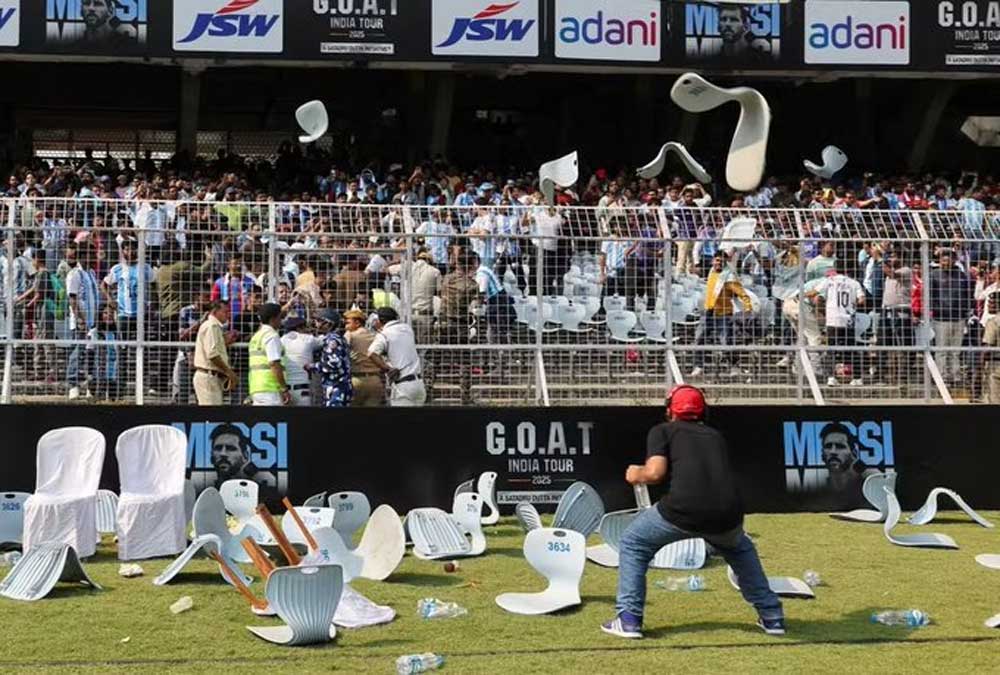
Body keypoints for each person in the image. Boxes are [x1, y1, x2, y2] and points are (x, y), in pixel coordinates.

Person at [601, 385, 784, 639]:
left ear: (670, 410)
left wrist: (636, 473)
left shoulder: (662, 430)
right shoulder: (715, 436)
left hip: (683, 509)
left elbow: (654, 473)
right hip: (728, 513)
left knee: (633, 543)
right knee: (740, 549)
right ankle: (772, 616)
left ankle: (628, 619)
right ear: (703, 411)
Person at [691, 252, 752, 379]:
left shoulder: (728, 277)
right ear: (713, 261)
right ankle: (699, 366)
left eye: (721, 261)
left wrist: (748, 308)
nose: (719, 263)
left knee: (725, 341)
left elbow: (742, 293)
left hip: (723, 313)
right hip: (708, 312)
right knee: (699, 338)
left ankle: (734, 366)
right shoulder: (711, 272)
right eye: (717, 260)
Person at [808, 268, 866, 387]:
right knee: (851, 349)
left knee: (831, 350)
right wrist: (852, 304)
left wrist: (800, 294)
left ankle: (831, 378)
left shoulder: (830, 281)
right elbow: (861, 300)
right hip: (848, 320)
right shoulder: (854, 283)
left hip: (833, 319)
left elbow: (814, 293)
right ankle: (857, 378)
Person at [367, 307, 426, 407]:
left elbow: (371, 353)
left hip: (403, 386)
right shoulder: (407, 329)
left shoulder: (384, 334)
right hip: (418, 384)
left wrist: (387, 369)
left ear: (381, 320)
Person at [193, 301, 238, 405]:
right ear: (215, 311)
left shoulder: (213, 326)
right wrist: (229, 372)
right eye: (225, 312)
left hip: (211, 377)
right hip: (209, 376)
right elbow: (212, 354)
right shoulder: (212, 326)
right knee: (212, 412)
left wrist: (224, 341)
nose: (228, 315)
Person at [248, 303, 292, 406]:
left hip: (256, 387)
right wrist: (284, 388)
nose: (281, 321)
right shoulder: (271, 336)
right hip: (271, 388)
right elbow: (274, 363)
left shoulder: (257, 336)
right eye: (280, 317)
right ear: (273, 319)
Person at [818, 422, 879, 494]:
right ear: (822, 454)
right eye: (828, 446)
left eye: (840, 446)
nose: (833, 451)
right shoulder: (818, 490)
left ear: (854, 453)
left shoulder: (868, 488)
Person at [344, 308, 385, 407]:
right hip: (375, 380)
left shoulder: (350, 335)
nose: (345, 326)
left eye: (348, 323)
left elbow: (342, 352)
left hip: (357, 380)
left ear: (357, 323)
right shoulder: (375, 336)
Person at [313, 308, 353, 407]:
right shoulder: (338, 338)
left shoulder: (332, 340)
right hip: (338, 386)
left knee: (334, 416)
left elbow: (334, 364)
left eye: (319, 320)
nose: (316, 323)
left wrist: (314, 366)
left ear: (328, 324)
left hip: (336, 387)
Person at [281, 316, 323, 406]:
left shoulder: (282, 340)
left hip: (287, 389)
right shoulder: (308, 339)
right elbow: (323, 341)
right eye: (305, 327)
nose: (307, 329)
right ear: (299, 327)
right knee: (304, 414)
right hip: (303, 389)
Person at [982, 292, 1000, 404]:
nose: (988, 305)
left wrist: (981, 366)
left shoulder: (993, 322)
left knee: (994, 400)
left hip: (996, 366)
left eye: (992, 303)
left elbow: (987, 346)